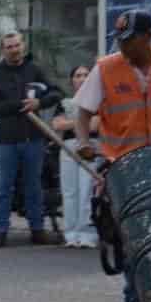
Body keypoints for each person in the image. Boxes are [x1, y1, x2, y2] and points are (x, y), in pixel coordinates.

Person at [74, 9, 151, 302]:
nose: (122, 47)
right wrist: (83, 142)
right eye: (119, 40)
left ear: (147, 37)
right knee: (133, 240)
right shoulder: (105, 69)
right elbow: (82, 112)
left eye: (129, 40)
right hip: (124, 171)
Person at [0, 31, 62, 247]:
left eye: (17, 45)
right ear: (3, 50)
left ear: (22, 46)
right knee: (3, 187)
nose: (14, 49)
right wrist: (16, 106)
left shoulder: (34, 69)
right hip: (6, 140)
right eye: (9, 46)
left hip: (33, 138)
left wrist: (39, 104)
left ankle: (37, 230)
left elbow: (56, 92)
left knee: (33, 186)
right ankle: (1, 232)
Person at [53, 64, 99, 249]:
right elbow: (57, 125)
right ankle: (71, 233)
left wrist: (71, 123)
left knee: (87, 190)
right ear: (72, 80)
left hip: (91, 146)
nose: (82, 78)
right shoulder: (65, 103)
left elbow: (95, 125)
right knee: (70, 192)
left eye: (86, 75)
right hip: (68, 147)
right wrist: (81, 123)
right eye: (78, 75)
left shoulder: (98, 101)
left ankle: (88, 234)